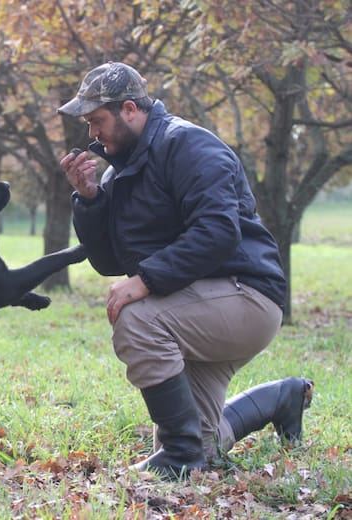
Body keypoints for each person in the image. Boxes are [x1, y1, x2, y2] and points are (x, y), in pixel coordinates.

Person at [57, 62, 314, 480]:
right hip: (197, 300)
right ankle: (281, 398)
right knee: (205, 449)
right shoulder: (117, 172)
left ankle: (178, 453)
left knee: (137, 317)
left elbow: (218, 233)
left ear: (129, 109)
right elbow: (108, 262)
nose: (92, 134)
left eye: (96, 121)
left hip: (246, 293)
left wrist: (145, 281)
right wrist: (89, 201)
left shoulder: (189, 145)